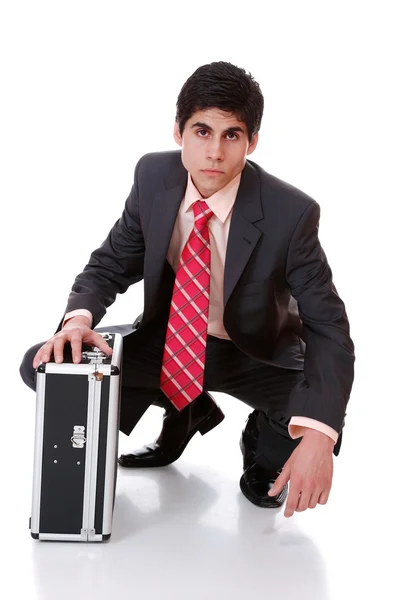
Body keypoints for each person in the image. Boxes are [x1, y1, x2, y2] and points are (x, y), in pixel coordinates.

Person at [20, 61, 355, 518]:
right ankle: (188, 408)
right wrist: (78, 320)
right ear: (178, 131)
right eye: (202, 131)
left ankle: (260, 437)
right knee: (46, 363)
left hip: (253, 352)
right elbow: (111, 263)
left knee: (311, 423)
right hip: (171, 341)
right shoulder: (153, 178)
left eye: (231, 135)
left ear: (252, 142)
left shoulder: (290, 213)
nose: (214, 152)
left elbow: (328, 326)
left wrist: (319, 434)